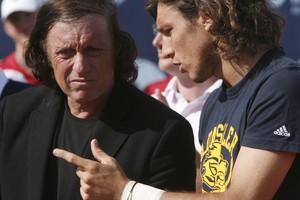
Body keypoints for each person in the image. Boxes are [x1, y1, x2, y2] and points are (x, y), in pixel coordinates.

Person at [53, 0, 300, 199]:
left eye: (169, 31)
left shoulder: (281, 85)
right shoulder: (216, 101)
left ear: (207, 17)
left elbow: (241, 198)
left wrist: (127, 191)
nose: (167, 49)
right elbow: (211, 190)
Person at [0, 0, 197, 199]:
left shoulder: (165, 131)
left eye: (92, 50)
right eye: (65, 53)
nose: (80, 67)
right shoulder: (12, 113)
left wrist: (123, 192)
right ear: (46, 56)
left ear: (116, 50)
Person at [148, 30, 222, 191]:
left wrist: (174, 132)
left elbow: (224, 187)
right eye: (157, 31)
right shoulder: (149, 103)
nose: (156, 42)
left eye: (168, 32)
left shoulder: (238, 103)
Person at [0, 0, 43, 85]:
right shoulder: (3, 74)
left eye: (28, 15)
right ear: (6, 27)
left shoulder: (61, 63)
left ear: (41, 15)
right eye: (15, 19)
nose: (24, 24)